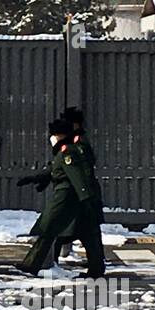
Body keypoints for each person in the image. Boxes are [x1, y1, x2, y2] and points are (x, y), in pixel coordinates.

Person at [16, 118, 107, 279]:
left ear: (59, 135)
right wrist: (36, 178)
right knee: (88, 233)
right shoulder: (65, 150)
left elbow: (77, 177)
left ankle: (31, 265)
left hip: (67, 198)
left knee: (48, 229)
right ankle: (96, 269)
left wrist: (86, 198)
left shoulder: (68, 151)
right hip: (75, 198)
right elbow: (54, 170)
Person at [54, 106, 103, 265]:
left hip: (81, 193)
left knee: (77, 229)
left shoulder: (78, 142)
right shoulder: (72, 141)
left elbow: (84, 168)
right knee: (75, 229)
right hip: (79, 192)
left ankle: (95, 264)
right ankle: (94, 263)